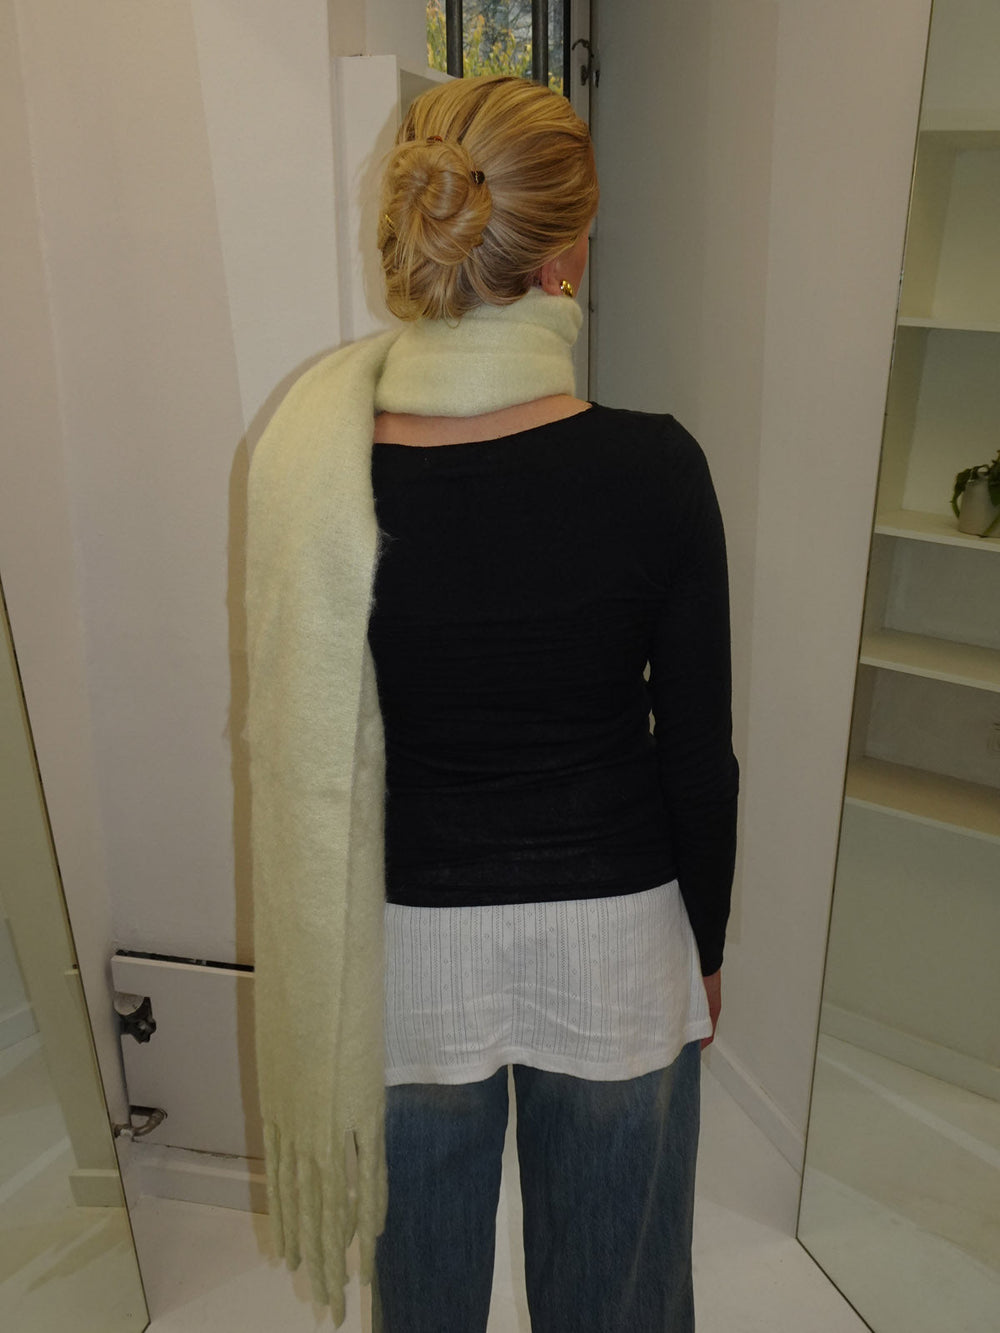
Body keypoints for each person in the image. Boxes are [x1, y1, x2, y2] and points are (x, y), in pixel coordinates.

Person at [246, 74, 738, 1333]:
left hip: (403, 958)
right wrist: (707, 946)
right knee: (620, 1307)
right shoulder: (656, 468)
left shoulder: (321, 469)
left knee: (422, 1307)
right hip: (618, 941)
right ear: (564, 254)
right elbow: (697, 755)